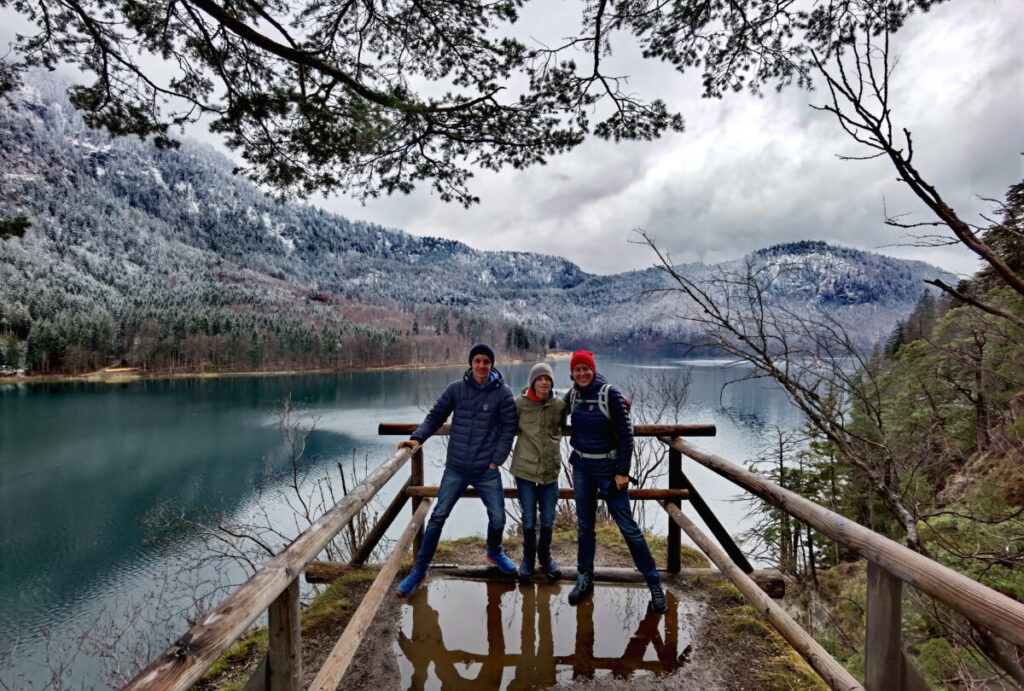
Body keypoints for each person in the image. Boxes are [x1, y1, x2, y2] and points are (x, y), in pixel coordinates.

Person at [395, 343, 518, 596]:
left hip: (487, 469)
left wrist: (497, 460)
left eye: (486, 361)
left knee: (497, 517)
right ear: (471, 364)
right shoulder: (456, 389)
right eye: (477, 361)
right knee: (438, 516)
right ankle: (419, 570)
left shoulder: (503, 394)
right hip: (457, 468)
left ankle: (494, 552)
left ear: (492, 365)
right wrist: (417, 439)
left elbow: (508, 429)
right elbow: (435, 417)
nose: (482, 365)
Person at [564, 350, 667, 613]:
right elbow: (551, 410)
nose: (582, 373)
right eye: (577, 369)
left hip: (610, 471)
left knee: (628, 528)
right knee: (585, 526)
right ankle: (584, 577)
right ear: (572, 373)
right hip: (582, 468)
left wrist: (623, 472)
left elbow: (626, 436)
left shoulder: (610, 394)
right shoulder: (573, 395)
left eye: (586, 368)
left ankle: (654, 583)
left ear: (593, 369)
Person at [508, 362, 566, 581]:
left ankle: (546, 557)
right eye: (540, 379)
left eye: (548, 379)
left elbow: (563, 425)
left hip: (550, 470)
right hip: (524, 470)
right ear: (532, 382)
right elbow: (507, 427)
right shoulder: (520, 405)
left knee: (549, 519)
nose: (544, 382)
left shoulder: (559, 405)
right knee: (529, 519)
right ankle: (528, 559)